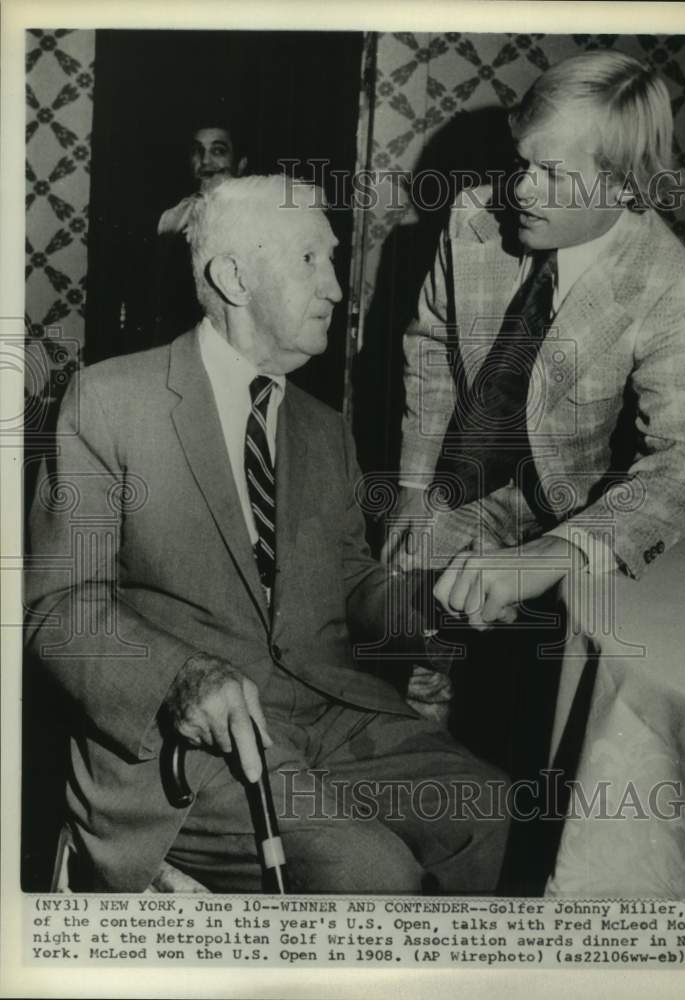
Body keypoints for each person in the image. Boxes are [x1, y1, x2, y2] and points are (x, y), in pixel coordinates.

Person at [25, 175, 509, 894]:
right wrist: (182, 676)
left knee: (491, 813)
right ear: (234, 277)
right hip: (190, 743)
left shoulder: (324, 428)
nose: (336, 289)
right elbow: (60, 609)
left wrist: (436, 602)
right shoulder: (110, 401)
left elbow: (349, 582)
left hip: (330, 715)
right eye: (311, 259)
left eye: (332, 262)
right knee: (370, 873)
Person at [388, 50, 685, 688]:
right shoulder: (471, 218)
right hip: (464, 484)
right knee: (402, 630)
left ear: (623, 184)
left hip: (582, 513)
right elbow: (431, 343)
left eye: (551, 173)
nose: (521, 189)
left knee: (541, 687)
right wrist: (412, 482)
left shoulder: (670, 284)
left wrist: (557, 552)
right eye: (522, 163)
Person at [154, 122, 249, 343]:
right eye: (198, 151)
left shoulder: (254, 214)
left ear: (241, 164)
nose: (205, 161)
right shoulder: (173, 217)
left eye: (218, 151)